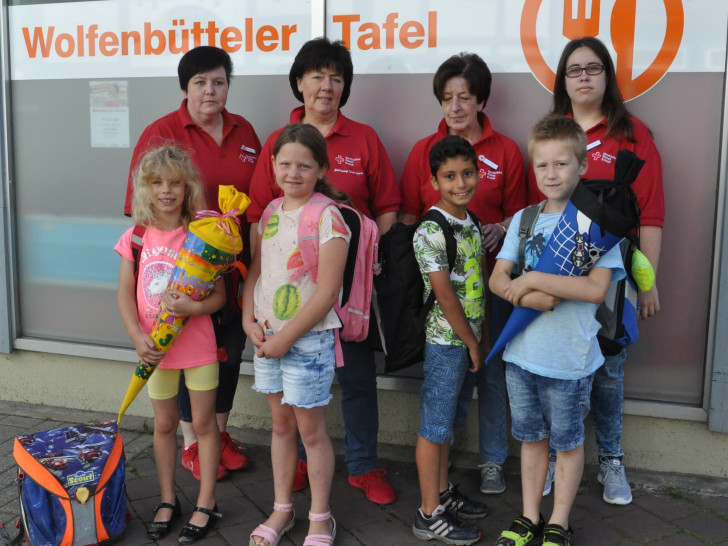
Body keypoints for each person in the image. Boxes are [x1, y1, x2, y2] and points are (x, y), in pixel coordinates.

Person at [247, 37, 400, 504]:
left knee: (357, 378)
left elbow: (390, 208)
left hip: (348, 292)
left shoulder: (365, 138)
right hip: (289, 293)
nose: (326, 86)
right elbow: (261, 216)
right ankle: (293, 466)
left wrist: (370, 265)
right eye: (317, 75)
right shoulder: (279, 142)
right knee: (289, 397)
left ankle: (363, 466)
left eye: (336, 77)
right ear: (299, 82)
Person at [531, 37, 664, 505]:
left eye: (593, 68)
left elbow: (650, 214)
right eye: (574, 69)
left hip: (613, 282)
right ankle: (548, 459)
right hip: (553, 275)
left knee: (608, 373)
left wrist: (645, 287)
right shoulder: (552, 132)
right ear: (562, 80)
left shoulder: (632, 135)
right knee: (553, 372)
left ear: (607, 76)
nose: (584, 76)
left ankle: (611, 461)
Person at [124, 46, 261, 480]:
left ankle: (216, 435)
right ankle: (190, 442)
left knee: (229, 349)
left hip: (232, 270)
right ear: (185, 87)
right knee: (184, 347)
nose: (210, 90)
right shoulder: (161, 131)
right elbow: (142, 209)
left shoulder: (245, 132)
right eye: (200, 82)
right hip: (179, 270)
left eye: (218, 81)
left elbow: (257, 200)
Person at [491, 115, 625, 546]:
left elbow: (593, 289)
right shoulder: (524, 219)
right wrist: (530, 297)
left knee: (566, 444)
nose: (551, 174)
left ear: (582, 166)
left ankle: (559, 522)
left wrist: (532, 280)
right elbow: (497, 279)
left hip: (569, 360)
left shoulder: (595, 225)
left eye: (561, 164)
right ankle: (530, 516)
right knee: (531, 441)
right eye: (542, 165)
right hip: (521, 356)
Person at [400, 52, 526, 495]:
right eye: (447, 97)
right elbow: (411, 218)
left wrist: (499, 228)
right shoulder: (423, 151)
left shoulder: (506, 150)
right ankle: (441, 471)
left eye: (465, 97)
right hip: (444, 293)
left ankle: (492, 459)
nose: (455, 106)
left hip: (496, 280)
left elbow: (523, 214)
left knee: (490, 370)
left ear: (480, 101)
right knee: (449, 378)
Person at [243, 124, 349, 546]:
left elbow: (326, 294)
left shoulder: (329, 218)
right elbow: (256, 271)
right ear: (272, 165)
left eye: (304, 165)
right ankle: (283, 508)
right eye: (284, 163)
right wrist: (249, 318)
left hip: (307, 341)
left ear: (321, 169)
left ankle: (321, 517)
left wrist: (287, 339)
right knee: (281, 428)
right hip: (267, 338)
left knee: (311, 432)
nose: (293, 172)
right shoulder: (269, 212)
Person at [116, 145, 225, 543]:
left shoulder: (201, 232)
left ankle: (206, 502)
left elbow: (220, 298)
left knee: (203, 424)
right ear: (144, 188)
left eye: (175, 182)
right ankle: (167, 499)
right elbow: (124, 295)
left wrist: (194, 306)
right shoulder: (136, 236)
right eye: (157, 182)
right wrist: (136, 337)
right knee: (164, 425)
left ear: (188, 186)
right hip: (156, 351)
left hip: (198, 347)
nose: (167, 190)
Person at [411, 135, 488, 545]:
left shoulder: (471, 221)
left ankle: (441, 495)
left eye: (467, 173)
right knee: (434, 426)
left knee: (448, 425)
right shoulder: (431, 229)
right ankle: (427, 515)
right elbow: (444, 294)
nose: (461, 183)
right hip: (446, 343)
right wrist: (472, 342)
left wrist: (478, 338)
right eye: (450, 176)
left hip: (467, 342)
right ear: (435, 180)